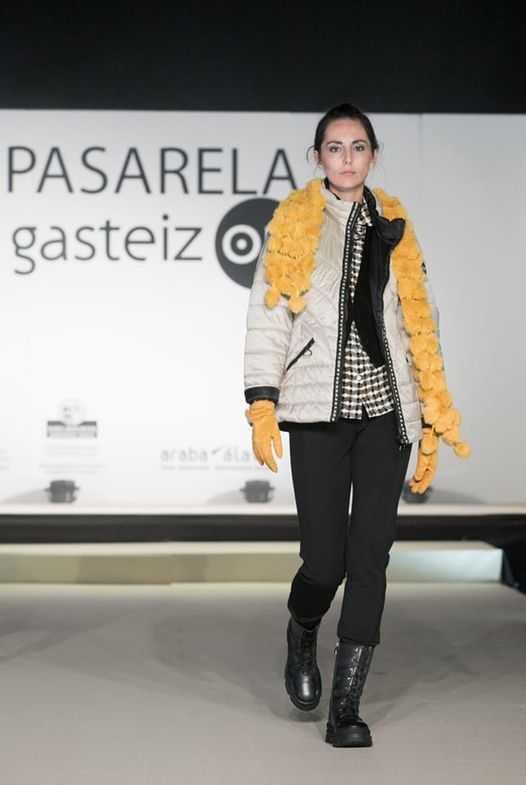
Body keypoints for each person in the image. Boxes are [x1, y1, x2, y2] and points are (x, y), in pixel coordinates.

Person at [242, 103, 470, 748]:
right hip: (319, 411)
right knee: (325, 561)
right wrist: (262, 400)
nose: (347, 158)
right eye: (335, 147)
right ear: (318, 157)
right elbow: (269, 318)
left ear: (373, 155)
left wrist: (431, 414)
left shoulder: (396, 224)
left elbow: (419, 322)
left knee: (371, 554)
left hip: (386, 413)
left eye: (358, 146)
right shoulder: (293, 223)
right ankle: (302, 629)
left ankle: (346, 706)